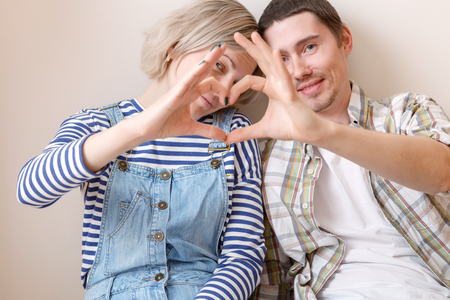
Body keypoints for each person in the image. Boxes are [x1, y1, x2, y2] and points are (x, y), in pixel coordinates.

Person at [16, 0, 266, 299]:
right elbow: (30, 191)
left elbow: (244, 256)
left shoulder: (234, 133)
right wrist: (137, 130)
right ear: (176, 46)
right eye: (220, 66)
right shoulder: (97, 123)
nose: (224, 90)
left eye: (237, 83)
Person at [225, 0, 450, 298]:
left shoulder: (406, 111)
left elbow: (442, 172)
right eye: (282, 59)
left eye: (309, 48)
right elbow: (271, 277)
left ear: (344, 41)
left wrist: (320, 132)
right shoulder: (268, 159)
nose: (300, 71)